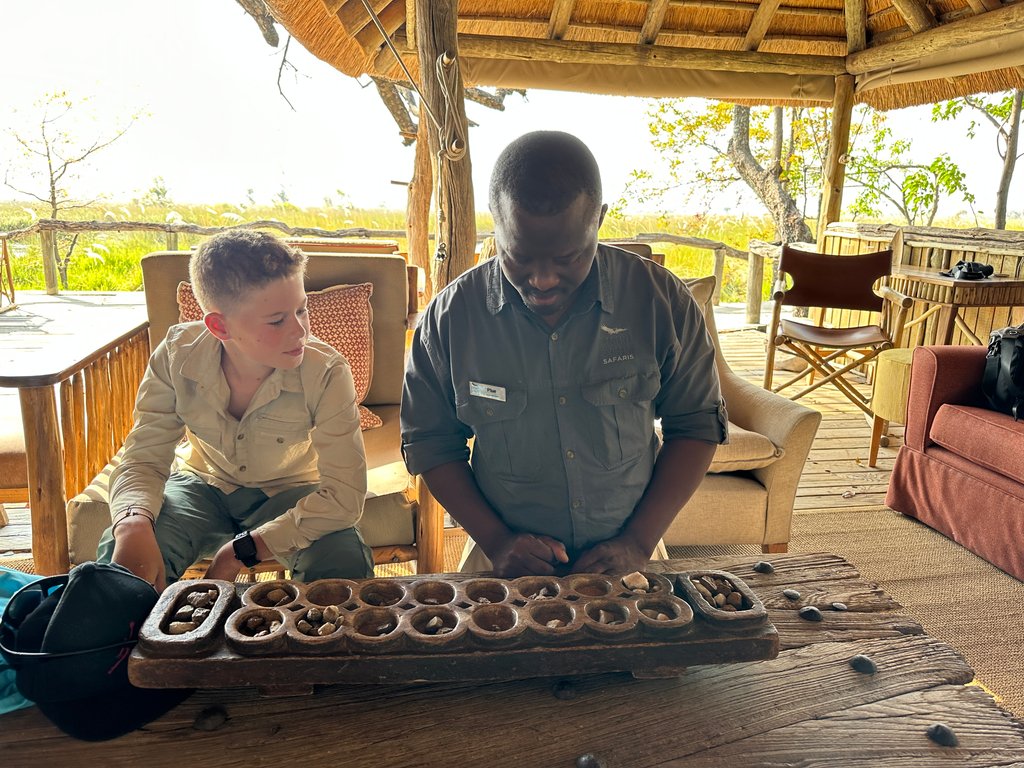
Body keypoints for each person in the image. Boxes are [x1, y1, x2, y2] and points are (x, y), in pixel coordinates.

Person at [401, 130, 728, 578]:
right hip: (502, 563)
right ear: (496, 223)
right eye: (519, 257)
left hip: (633, 558)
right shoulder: (451, 319)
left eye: (567, 257)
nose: (543, 280)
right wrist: (496, 541)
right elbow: (430, 443)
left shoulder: (660, 302)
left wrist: (639, 541)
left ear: (599, 220)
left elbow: (695, 424)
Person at [98, 230, 374, 590]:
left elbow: (344, 497)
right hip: (201, 484)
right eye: (276, 320)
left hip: (292, 490)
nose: (300, 331)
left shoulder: (326, 371)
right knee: (122, 557)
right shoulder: (176, 355)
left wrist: (239, 552)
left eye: (301, 310)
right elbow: (144, 457)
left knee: (342, 560)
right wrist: (133, 520)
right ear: (219, 325)